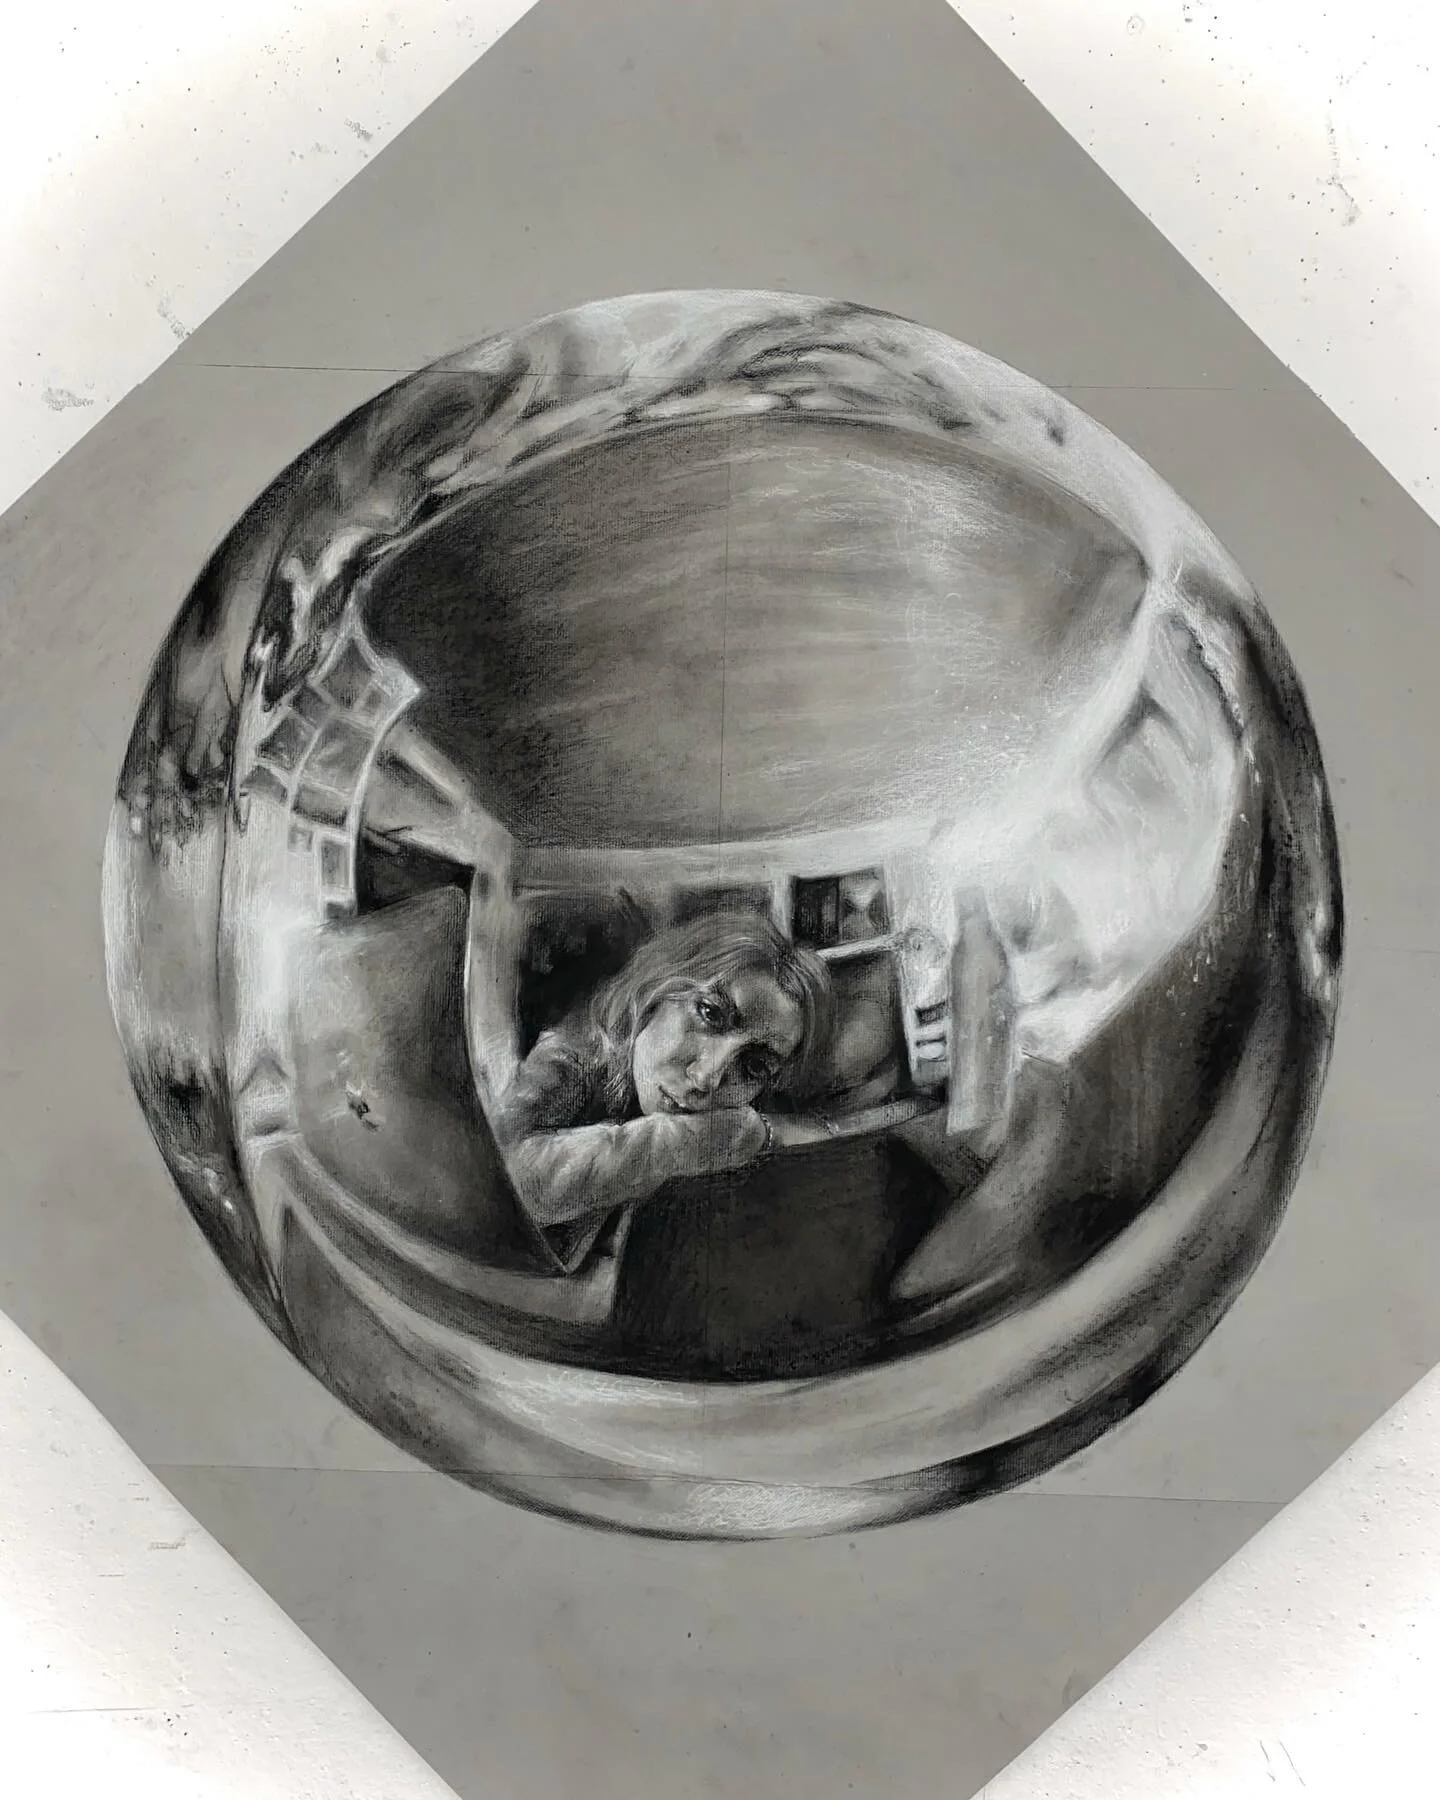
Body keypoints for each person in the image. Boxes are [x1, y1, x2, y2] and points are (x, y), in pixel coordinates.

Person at [490, 912, 836, 1274]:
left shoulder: (727, 1119)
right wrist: (696, 1139)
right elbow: (506, 1184)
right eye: (710, 1014)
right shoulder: (569, 1058)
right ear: (655, 988)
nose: (707, 1077)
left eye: (754, 1066)